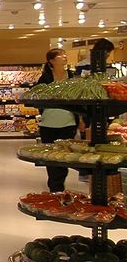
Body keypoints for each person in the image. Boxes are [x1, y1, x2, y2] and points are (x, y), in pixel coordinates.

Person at [35, 48, 76, 192]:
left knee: (63, 157)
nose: (64, 57)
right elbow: (37, 97)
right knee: (51, 157)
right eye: (61, 55)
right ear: (51, 61)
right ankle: (55, 188)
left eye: (65, 55)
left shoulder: (72, 76)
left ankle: (59, 187)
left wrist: (82, 120)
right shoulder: (45, 78)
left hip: (68, 122)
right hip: (48, 123)